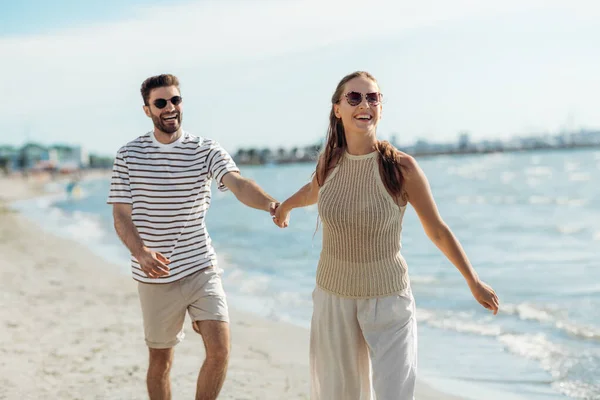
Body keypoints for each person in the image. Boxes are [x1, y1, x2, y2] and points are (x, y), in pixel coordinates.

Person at [272, 71, 500, 400]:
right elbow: (314, 190)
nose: (364, 104)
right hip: (333, 298)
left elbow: (436, 228)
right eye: (354, 98)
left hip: (389, 300)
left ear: (380, 107)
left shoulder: (400, 167)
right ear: (337, 108)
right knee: (340, 394)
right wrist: (287, 206)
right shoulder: (330, 162)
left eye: (372, 98)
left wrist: (472, 280)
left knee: (396, 393)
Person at [107, 74, 279, 400]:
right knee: (161, 361)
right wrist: (141, 252)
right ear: (147, 110)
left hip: (201, 267)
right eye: (161, 103)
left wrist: (270, 204)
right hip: (155, 275)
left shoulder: (205, 149)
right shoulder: (129, 155)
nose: (170, 108)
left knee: (220, 350)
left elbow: (238, 183)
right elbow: (121, 215)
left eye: (175, 100)